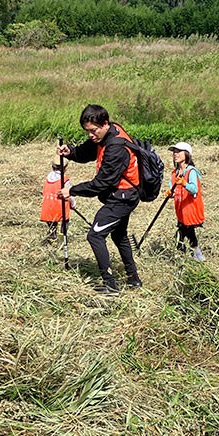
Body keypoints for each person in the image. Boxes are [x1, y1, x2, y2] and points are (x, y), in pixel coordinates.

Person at [57, 104, 141, 294]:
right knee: (119, 235)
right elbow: (88, 150)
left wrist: (72, 190)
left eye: (93, 131)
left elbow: (102, 183)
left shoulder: (116, 147)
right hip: (123, 194)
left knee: (95, 235)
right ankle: (133, 279)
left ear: (104, 123)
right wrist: (70, 151)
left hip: (122, 198)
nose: (90, 135)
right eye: (87, 131)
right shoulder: (108, 133)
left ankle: (110, 285)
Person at [167, 142, 205, 261]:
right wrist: (170, 193)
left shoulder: (191, 172)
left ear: (187, 154)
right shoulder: (175, 173)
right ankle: (194, 256)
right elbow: (172, 187)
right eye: (174, 152)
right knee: (186, 234)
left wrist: (184, 183)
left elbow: (194, 189)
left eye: (178, 151)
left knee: (182, 235)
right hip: (180, 210)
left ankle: (190, 258)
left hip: (190, 210)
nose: (175, 154)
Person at [40, 155, 74, 246]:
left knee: (52, 223)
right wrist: (73, 203)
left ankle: (52, 238)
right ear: (66, 168)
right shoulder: (64, 180)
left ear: (52, 167)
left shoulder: (48, 178)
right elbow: (68, 194)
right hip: (59, 206)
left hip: (48, 205)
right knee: (65, 221)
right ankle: (62, 237)